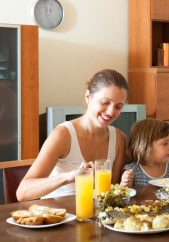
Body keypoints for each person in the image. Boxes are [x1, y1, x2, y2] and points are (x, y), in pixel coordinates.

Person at [17, 69, 129, 201]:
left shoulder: (119, 139)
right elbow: (22, 192)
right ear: (88, 97)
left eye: (118, 106)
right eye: (105, 103)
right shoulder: (63, 135)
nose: (110, 112)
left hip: (94, 218)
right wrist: (69, 177)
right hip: (58, 217)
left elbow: (109, 192)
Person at [120, 118, 169, 187]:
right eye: (165, 143)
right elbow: (124, 194)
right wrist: (125, 184)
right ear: (146, 146)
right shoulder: (132, 171)